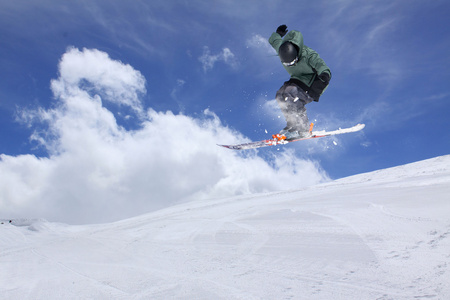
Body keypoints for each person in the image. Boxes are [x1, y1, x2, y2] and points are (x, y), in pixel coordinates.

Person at [269, 25, 331, 139]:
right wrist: (277, 34)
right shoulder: (281, 48)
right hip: (298, 78)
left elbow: (322, 66)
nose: (292, 65)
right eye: (288, 64)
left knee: (292, 95)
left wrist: (324, 74)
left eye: (293, 62)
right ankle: (292, 124)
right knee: (280, 95)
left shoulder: (309, 55)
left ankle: (303, 129)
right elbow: (275, 41)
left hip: (315, 82)